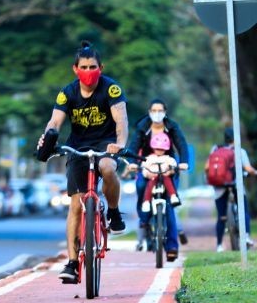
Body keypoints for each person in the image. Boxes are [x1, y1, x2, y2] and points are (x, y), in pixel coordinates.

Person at [38, 40, 129, 283]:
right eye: (84, 67)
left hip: (106, 143)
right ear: (75, 69)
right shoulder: (67, 93)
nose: (89, 72)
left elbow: (121, 121)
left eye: (93, 67)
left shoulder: (111, 90)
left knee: (108, 167)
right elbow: (55, 121)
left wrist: (119, 144)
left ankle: (114, 212)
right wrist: (48, 137)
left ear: (101, 67)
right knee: (76, 205)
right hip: (77, 146)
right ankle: (71, 263)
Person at [126, 99, 190, 254]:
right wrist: (132, 163)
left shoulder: (172, 127)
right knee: (141, 186)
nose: (157, 113)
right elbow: (134, 146)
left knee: (169, 206)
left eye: (160, 110)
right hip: (148, 165)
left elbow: (182, 145)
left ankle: (172, 246)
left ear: (165, 112)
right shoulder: (143, 127)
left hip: (168, 167)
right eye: (153, 110)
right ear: (149, 112)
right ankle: (145, 219)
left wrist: (183, 163)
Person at [213, 127, 257, 252]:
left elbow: (208, 167)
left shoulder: (216, 149)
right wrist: (255, 172)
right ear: (235, 138)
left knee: (221, 216)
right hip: (236, 184)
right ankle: (247, 236)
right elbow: (248, 168)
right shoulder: (240, 151)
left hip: (219, 186)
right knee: (243, 211)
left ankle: (219, 245)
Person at [140, 133, 181, 212]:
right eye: (157, 148)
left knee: (168, 179)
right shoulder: (149, 158)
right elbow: (144, 167)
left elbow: (173, 165)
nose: (159, 151)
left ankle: (173, 196)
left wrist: (171, 170)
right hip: (153, 177)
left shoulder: (167, 158)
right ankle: (146, 201)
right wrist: (147, 174)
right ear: (153, 148)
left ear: (166, 149)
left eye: (162, 149)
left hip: (164, 177)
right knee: (149, 184)